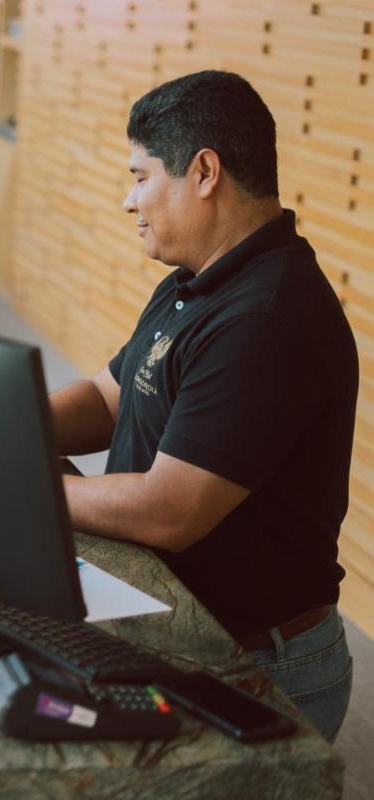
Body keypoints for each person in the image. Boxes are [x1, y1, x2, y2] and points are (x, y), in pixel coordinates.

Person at [50, 70, 356, 742]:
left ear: (205, 173)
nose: (128, 201)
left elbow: (169, 511)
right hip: (180, 619)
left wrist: (23, 484)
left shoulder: (268, 319)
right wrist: (0, 425)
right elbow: (108, 395)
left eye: (141, 177)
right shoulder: (195, 280)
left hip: (258, 665)